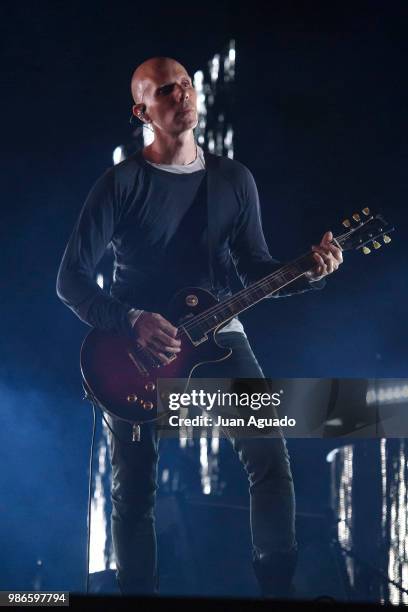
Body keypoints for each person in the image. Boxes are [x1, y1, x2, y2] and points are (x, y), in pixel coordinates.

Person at [56, 57, 343, 598]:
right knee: (134, 489)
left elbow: (258, 268)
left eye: (187, 85)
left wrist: (310, 271)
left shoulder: (234, 180)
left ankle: (277, 589)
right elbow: (70, 280)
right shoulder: (121, 183)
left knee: (269, 459)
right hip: (134, 349)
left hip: (221, 335)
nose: (183, 95)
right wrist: (133, 320)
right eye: (167, 90)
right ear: (142, 110)